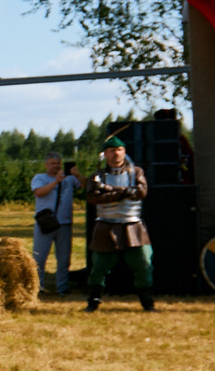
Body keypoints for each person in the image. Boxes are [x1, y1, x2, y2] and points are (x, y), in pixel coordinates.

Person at [83, 134, 155, 313]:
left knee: (144, 263)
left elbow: (141, 193)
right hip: (105, 225)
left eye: (119, 150)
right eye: (111, 150)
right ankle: (93, 303)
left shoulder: (136, 172)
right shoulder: (98, 175)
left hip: (132, 225)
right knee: (98, 267)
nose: (116, 154)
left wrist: (109, 191)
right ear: (105, 154)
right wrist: (123, 193)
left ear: (124, 152)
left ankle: (147, 304)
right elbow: (93, 198)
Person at [29, 152, 77, 294]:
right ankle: (38, 287)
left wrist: (78, 175)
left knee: (63, 258)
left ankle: (63, 288)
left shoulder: (70, 179)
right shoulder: (39, 178)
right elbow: (39, 192)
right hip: (46, 222)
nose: (55, 166)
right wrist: (56, 181)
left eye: (58, 164)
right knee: (39, 257)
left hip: (64, 223)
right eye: (52, 164)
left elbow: (85, 185)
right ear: (46, 165)